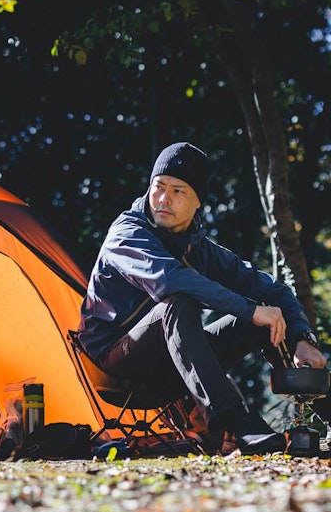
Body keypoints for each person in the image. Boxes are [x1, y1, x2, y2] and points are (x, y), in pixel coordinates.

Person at [77, 141, 327, 454]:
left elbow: (271, 289)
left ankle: (323, 412)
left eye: (178, 190)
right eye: (159, 186)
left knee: (270, 313)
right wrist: (250, 309)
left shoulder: (200, 249)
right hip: (115, 367)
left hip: (175, 361)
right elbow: (170, 279)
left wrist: (303, 337)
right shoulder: (127, 232)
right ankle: (238, 424)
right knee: (179, 301)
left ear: (198, 203)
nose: (164, 199)